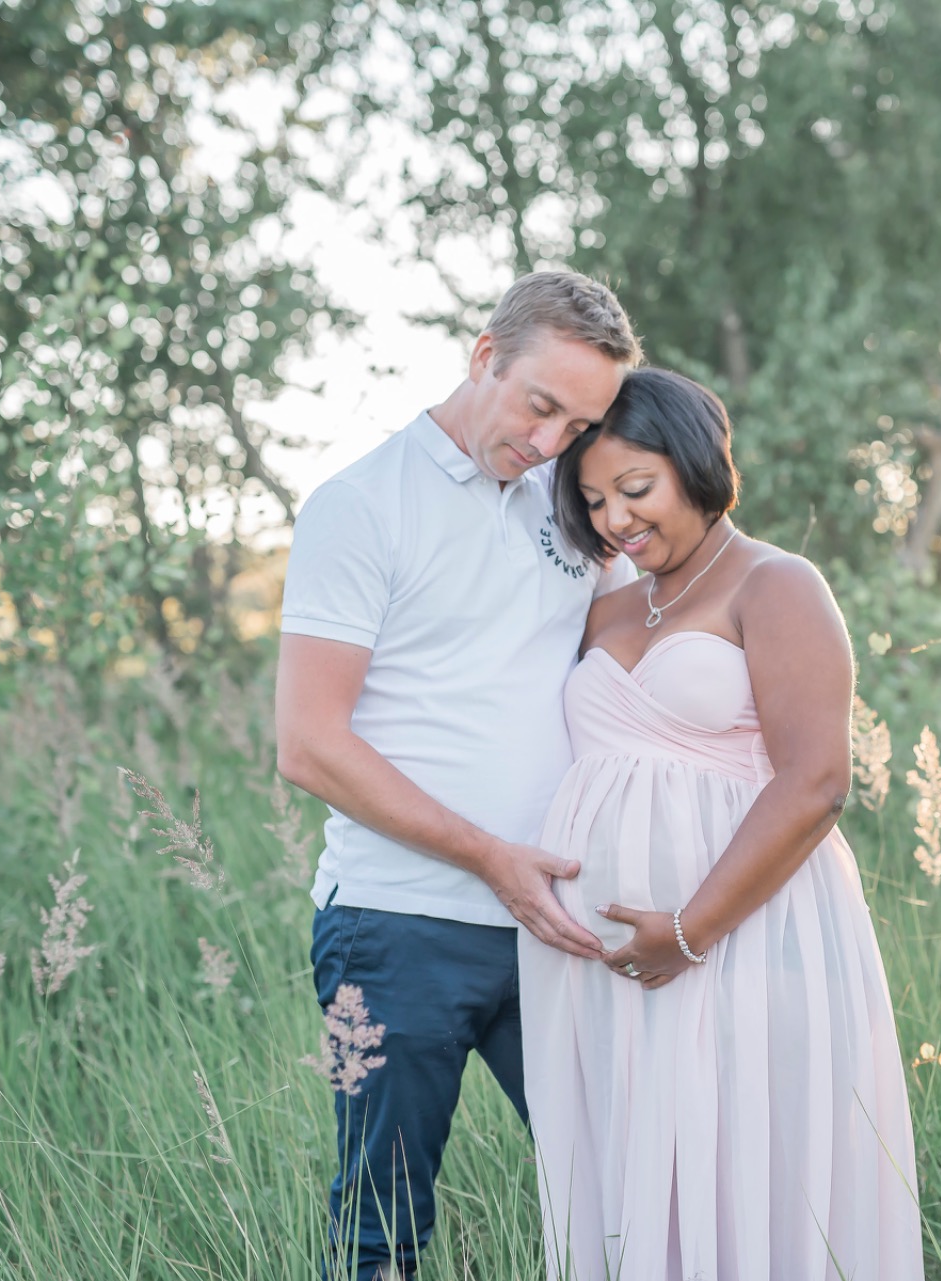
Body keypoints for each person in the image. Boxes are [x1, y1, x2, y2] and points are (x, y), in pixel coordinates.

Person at [274, 270, 642, 1278]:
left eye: (581, 424)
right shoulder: (361, 505)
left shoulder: (572, 505)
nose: (553, 441)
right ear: (486, 356)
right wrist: (489, 857)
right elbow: (308, 743)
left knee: (624, 1188)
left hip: (557, 922)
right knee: (383, 1227)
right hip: (400, 924)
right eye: (541, 406)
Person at [519, 368, 923, 1279]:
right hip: (605, 968)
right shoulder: (605, 606)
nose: (616, 520)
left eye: (636, 488)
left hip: (741, 937)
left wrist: (687, 931)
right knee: (637, 1183)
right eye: (594, 500)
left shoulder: (776, 584)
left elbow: (816, 781)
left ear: (695, 461)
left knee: (746, 1168)